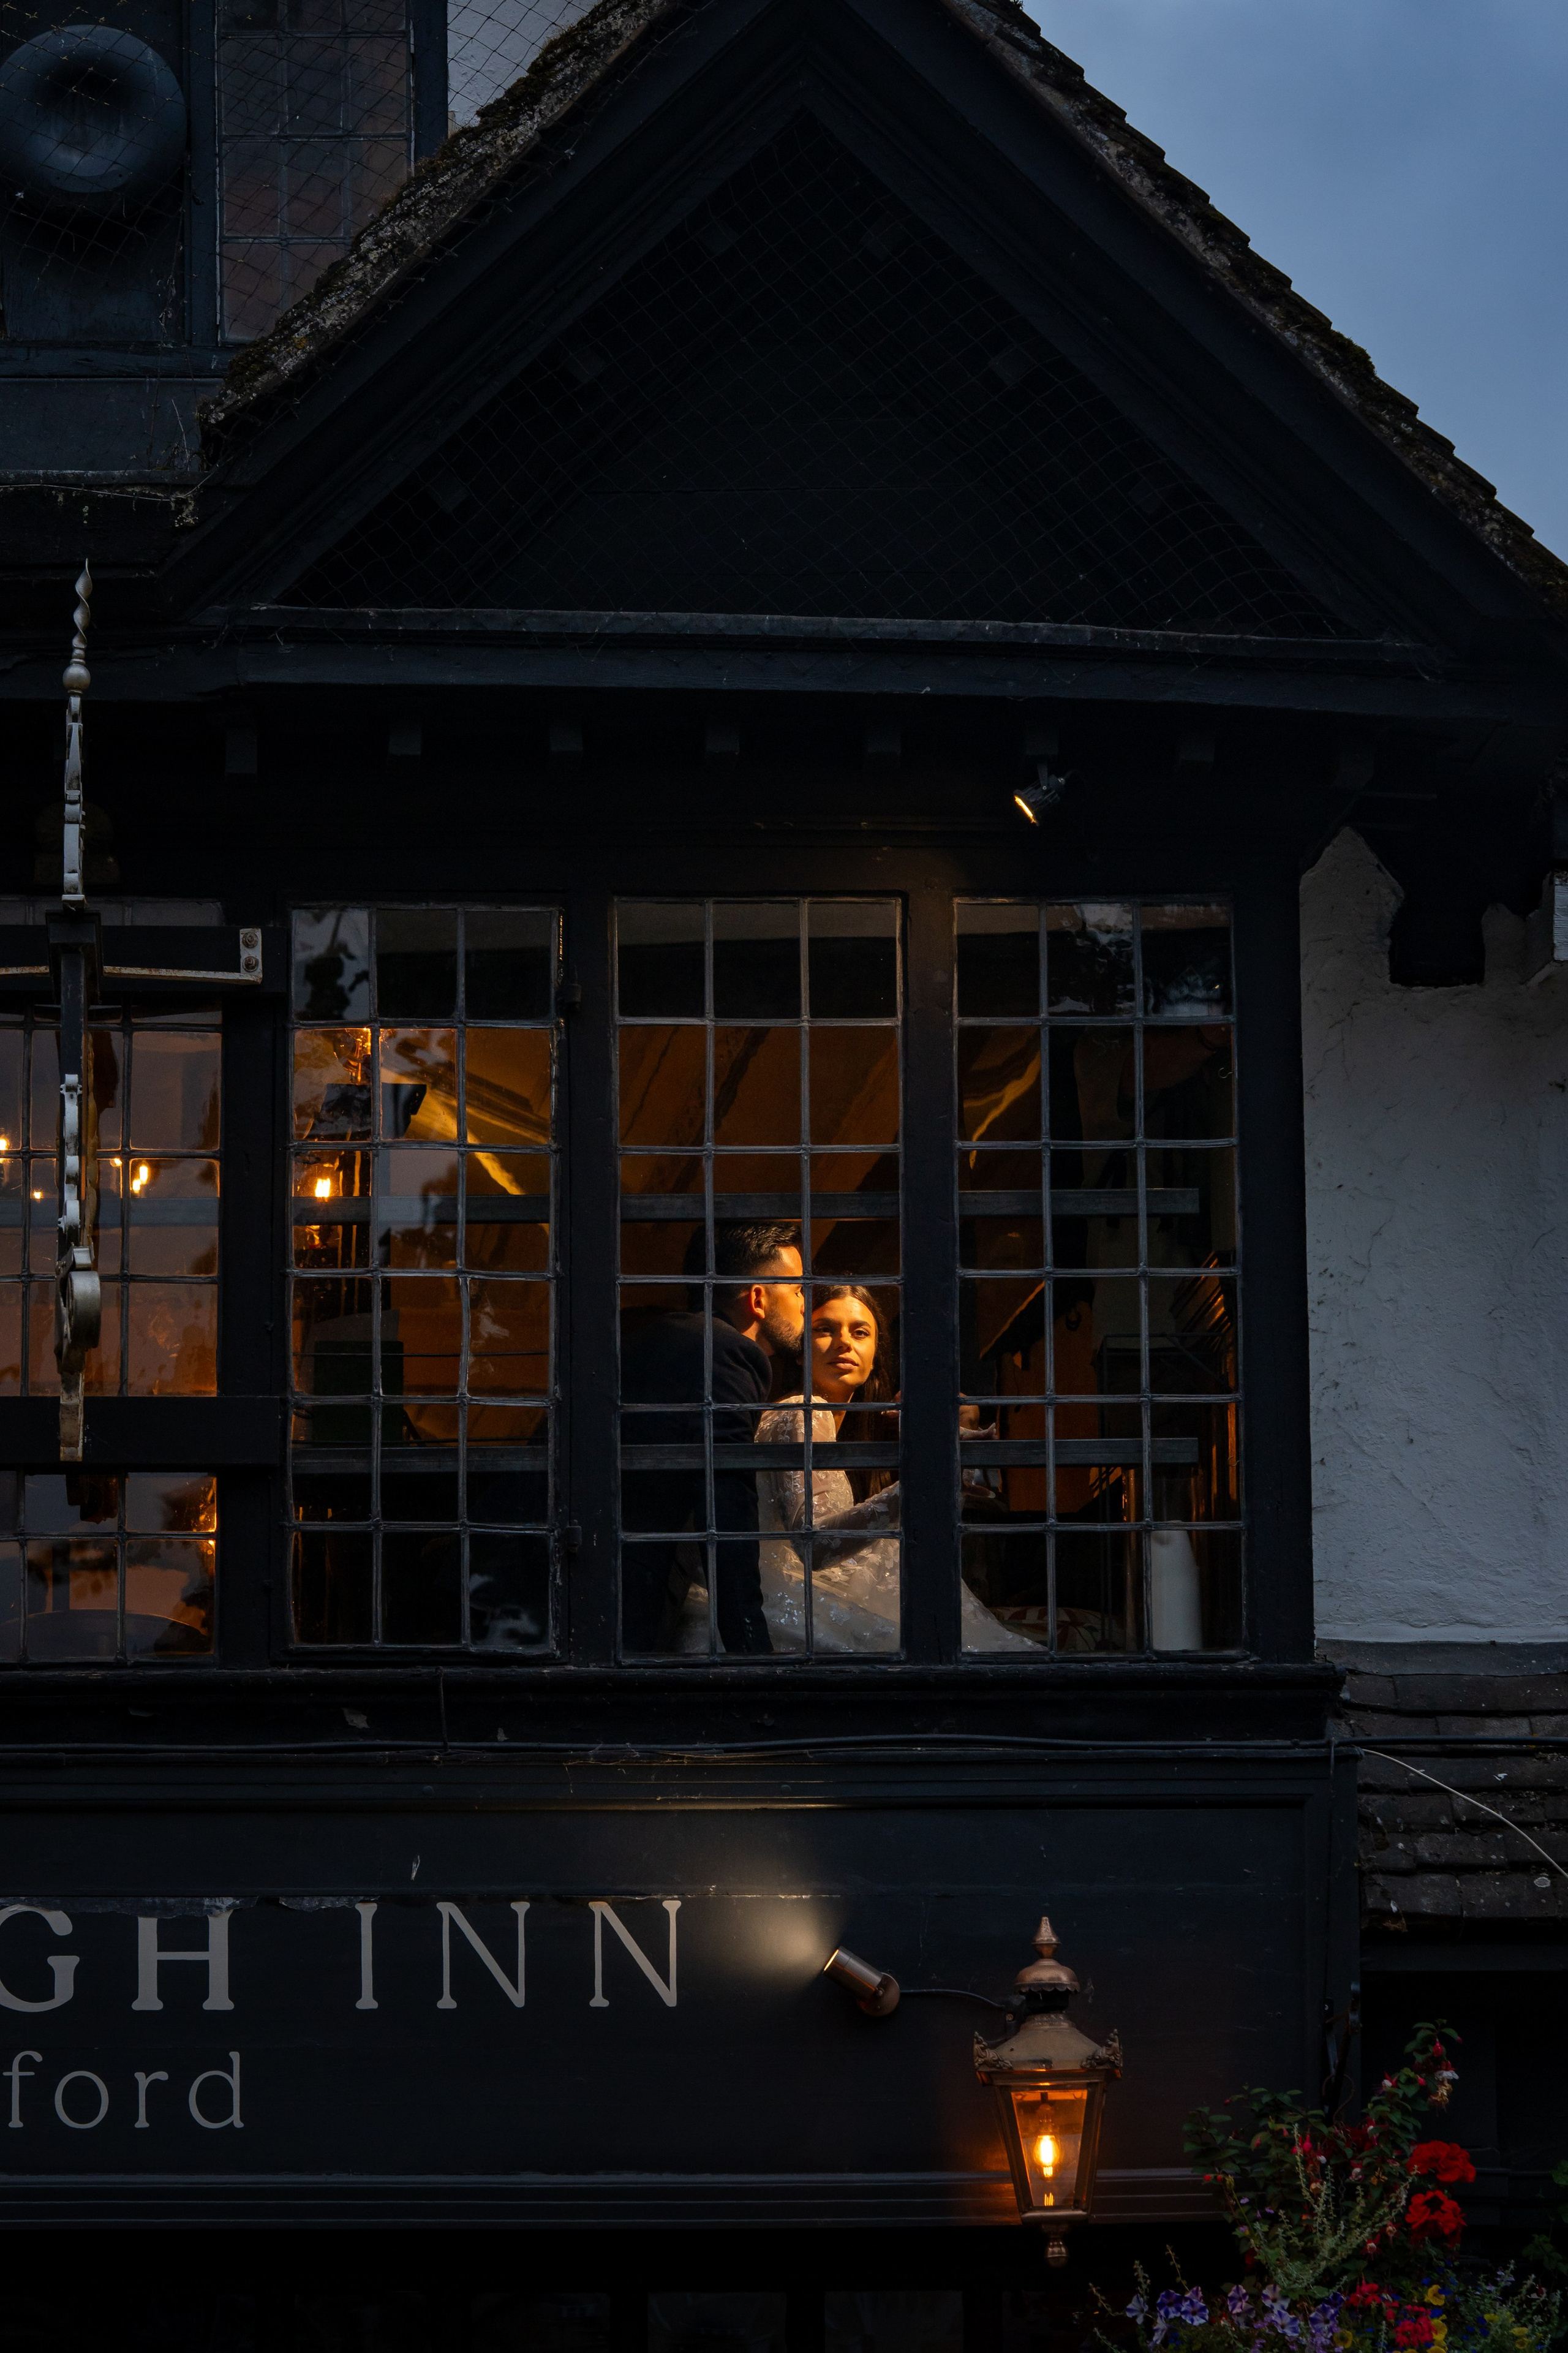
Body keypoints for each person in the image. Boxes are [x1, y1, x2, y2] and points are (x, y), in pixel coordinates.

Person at [750, 1286, 1038, 1655]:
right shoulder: (804, 1412)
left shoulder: (838, 1428)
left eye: (860, 1332)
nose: (844, 1342)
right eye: (825, 1330)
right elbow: (815, 1543)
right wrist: (926, 1476)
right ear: (801, 1353)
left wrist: (942, 1447)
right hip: (788, 1614)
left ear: (874, 1357)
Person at [619, 1220, 804, 1655]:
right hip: (617, 1594)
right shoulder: (725, 1352)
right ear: (758, 1299)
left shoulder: (657, 1339)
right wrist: (751, 1651)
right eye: (798, 1289)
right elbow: (726, 1503)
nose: (805, 1303)